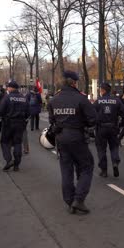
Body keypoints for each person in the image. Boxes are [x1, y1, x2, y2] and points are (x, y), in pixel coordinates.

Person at [48, 71, 96, 214]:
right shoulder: (80, 99)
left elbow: (52, 120)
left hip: (61, 138)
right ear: (74, 82)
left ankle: (69, 201)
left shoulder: (54, 99)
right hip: (77, 136)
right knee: (87, 166)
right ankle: (79, 199)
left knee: (66, 170)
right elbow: (93, 118)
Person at [93, 83, 124, 178]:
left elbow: (91, 114)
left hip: (101, 128)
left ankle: (104, 170)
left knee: (101, 149)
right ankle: (115, 162)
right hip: (113, 128)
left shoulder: (98, 101)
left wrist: (93, 124)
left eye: (100, 90)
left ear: (103, 90)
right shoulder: (116, 101)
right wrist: (121, 124)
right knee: (114, 147)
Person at [0, 81, 30, 172]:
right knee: (17, 143)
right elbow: (28, 112)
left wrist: (3, 116)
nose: (7, 89)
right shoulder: (24, 98)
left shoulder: (7, 97)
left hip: (8, 123)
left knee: (4, 142)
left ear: (11, 88)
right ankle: (16, 165)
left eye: (8, 87)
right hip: (20, 123)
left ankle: (9, 160)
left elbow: (0, 110)